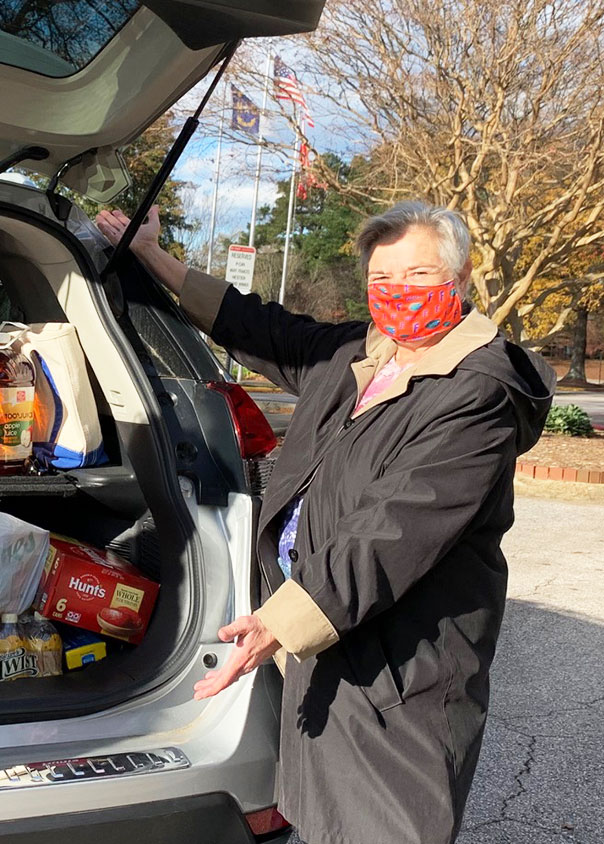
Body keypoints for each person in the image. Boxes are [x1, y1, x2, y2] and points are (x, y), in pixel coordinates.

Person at [96, 201, 554, 844]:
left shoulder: (477, 393)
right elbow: (260, 326)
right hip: (326, 641)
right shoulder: (358, 354)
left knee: (385, 824)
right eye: (382, 280)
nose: (399, 294)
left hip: (399, 671)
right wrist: (151, 256)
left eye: (419, 275)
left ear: (462, 277)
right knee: (321, 818)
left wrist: (276, 624)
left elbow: (392, 533)